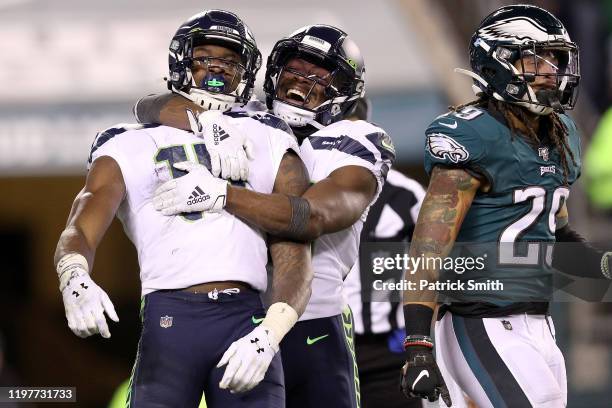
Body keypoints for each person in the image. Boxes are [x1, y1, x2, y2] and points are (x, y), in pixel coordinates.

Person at [54, 10, 314, 408]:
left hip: (247, 318)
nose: (216, 69)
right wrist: (73, 274)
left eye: (229, 61)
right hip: (169, 314)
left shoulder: (268, 132)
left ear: (246, 69)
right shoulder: (126, 140)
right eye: (203, 57)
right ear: (181, 62)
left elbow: (295, 244)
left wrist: (271, 333)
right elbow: (83, 221)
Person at [136, 24, 395, 408]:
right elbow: (148, 105)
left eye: (320, 75)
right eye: (294, 68)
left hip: (312, 326)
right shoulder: (244, 118)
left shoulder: (354, 140)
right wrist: (203, 119)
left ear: (344, 90)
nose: (301, 82)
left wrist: (223, 195)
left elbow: (310, 217)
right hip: (234, 320)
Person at [399, 4, 611, 407]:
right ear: (499, 63)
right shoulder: (472, 135)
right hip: (480, 320)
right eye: (537, 58)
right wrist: (418, 343)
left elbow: (553, 237)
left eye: (556, 57)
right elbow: (427, 248)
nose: (551, 69)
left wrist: (602, 267)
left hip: (539, 324)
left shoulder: (561, 134)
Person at [342, 98, 426, 408]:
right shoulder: (301, 181)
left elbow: (437, 271)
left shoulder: (406, 195)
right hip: (323, 338)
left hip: (386, 348)